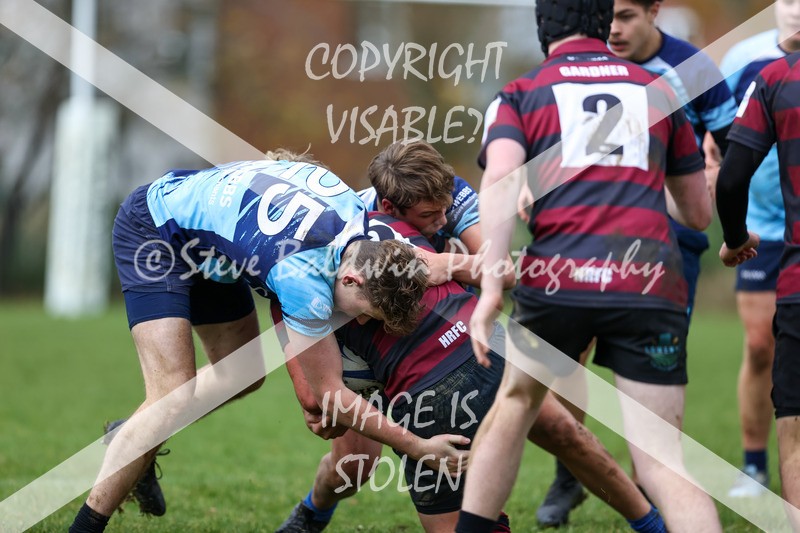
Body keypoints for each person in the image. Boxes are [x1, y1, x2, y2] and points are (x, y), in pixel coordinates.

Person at [68, 151, 453, 533]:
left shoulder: (359, 216)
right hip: (157, 230)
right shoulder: (301, 276)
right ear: (351, 280)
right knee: (171, 394)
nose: (365, 321)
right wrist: (417, 446)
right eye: (367, 311)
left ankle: (134, 436)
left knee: (246, 372)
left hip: (213, 252)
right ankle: (85, 526)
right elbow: (326, 394)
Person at [459, 0, 720, 531]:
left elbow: (503, 182)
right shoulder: (661, 91)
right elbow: (695, 214)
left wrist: (490, 289)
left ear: (542, 28)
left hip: (558, 280)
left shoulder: (521, 93)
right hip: (647, 282)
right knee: (662, 457)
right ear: (604, 24)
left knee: (512, 407)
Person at [277, 213, 665, 533]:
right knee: (355, 466)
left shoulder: (373, 218)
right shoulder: (289, 277)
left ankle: (652, 525)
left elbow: (493, 266)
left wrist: (453, 263)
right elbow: (315, 397)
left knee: (563, 431)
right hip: (397, 384)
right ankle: (312, 513)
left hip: (476, 346)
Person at [527, 0, 738, 525]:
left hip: (667, 252)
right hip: (587, 242)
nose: (613, 28)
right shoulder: (575, 74)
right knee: (566, 363)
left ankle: (658, 486)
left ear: (654, 11)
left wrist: (718, 180)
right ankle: (570, 471)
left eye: (625, 16)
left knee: (655, 394)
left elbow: (732, 146)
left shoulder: (692, 71)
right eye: (608, 17)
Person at [719, 0, 800, 497]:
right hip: (764, 226)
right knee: (758, 343)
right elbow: (720, 137)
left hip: (787, 241)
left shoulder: (779, 75)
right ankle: (753, 466)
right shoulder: (747, 63)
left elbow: (731, 175)